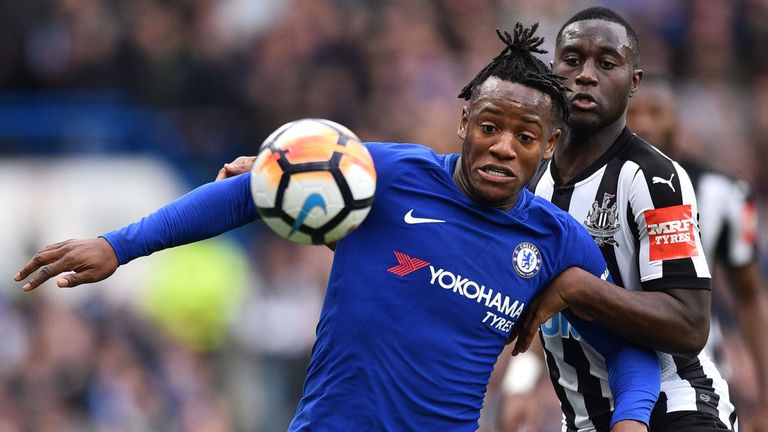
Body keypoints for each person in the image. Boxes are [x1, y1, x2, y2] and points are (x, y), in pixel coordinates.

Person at [12, 24, 659, 431]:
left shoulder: (555, 241)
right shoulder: (387, 172)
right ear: (464, 120)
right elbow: (243, 197)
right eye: (489, 127)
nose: (501, 148)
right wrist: (117, 246)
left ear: (548, 146)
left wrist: (630, 422)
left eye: (523, 137)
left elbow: (629, 341)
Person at [501, 7, 738, 432]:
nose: (586, 75)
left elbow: (688, 324)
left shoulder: (654, 177)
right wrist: (519, 384)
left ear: (634, 83)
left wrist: (580, 288)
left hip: (677, 409)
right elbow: (547, 308)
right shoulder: (531, 183)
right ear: (553, 72)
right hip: (584, 419)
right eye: (572, 60)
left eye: (606, 63)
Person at [627, 74, 768, 431]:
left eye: (656, 111)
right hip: (615, 373)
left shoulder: (724, 193)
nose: (644, 123)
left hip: (701, 378)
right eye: (634, 112)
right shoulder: (592, 189)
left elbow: (750, 295)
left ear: (677, 119)